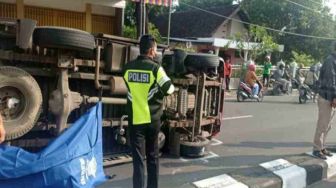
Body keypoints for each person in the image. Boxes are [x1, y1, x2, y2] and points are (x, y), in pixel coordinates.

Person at [123, 35, 175, 188]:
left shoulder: (127, 68)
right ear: (152, 50)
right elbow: (169, 89)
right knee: (152, 157)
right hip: (152, 120)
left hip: (135, 120)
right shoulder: (156, 69)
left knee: (138, 160)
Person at [312, 42, 336, 160]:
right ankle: (317, 149)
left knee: (327, 125)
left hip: (330, 96)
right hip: (326, 96)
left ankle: (322, 147)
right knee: (322, 124)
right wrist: (335, 97)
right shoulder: (330, 61)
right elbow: (330, 80)